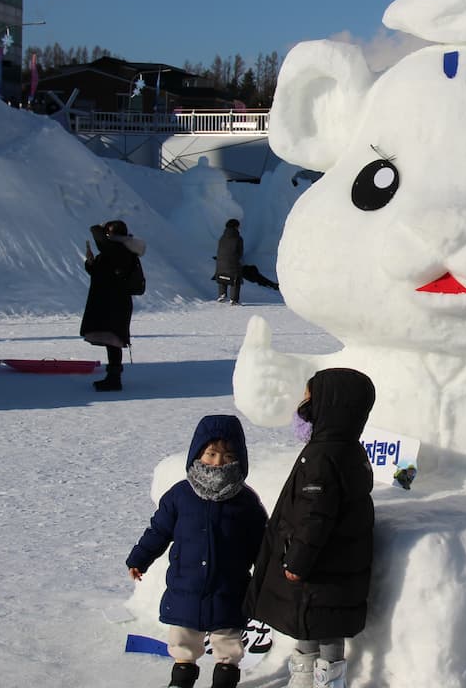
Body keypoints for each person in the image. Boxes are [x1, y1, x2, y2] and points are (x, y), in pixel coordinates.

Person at [247, 369, 376, 688]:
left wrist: (297, 560)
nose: (302, 405)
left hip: (318, 569)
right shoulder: (346, 448)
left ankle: (321, 680)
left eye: (308, 398)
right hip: (337, 565)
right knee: (315, 624)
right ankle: (308, 678)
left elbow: (315, 514)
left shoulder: (323, 454)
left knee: (320, 626)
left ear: (330, 405)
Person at [126, 415, 268, 688]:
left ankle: (224, 681)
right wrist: (139, 558)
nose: (218, 462)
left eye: (227, 455)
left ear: (239, 458)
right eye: (211, 454)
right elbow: (158, 531)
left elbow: (261, 543)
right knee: (183, 641)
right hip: (185, 588)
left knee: (228, 644)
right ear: (198, 454)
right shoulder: (180, 495)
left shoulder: (246, 502)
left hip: (229, 589)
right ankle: (181, 680)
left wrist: (267, 574)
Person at [80, 219, 146, 391]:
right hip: (115, 301)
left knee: (114, 340)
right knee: (113, 340)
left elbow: (98, 238)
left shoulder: (118, 250)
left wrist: (99, 228)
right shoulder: (119, 251)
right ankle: (112, 377)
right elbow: (99, 272)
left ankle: (114, 379)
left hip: (114, 302)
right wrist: (91, 263)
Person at [215, 218, 244, 305]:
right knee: (236, 279)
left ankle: (222, 295)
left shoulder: (222, 237)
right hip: (232, 262)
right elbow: (240, 252)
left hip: (220, 263)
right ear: (236, 227)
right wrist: (236, 258)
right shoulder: (238, 238)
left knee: (223, 276)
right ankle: (234, 300)